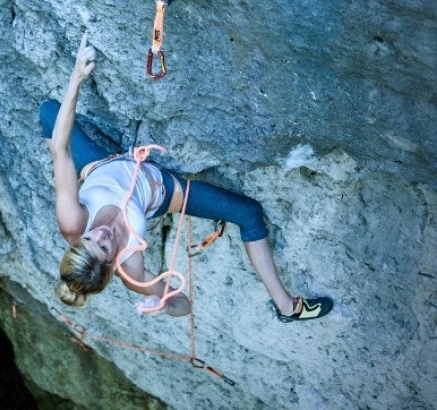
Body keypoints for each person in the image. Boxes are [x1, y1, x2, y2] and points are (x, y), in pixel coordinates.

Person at [41, 33, 333, 321]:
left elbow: (61, 149)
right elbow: (184, 304)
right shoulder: (131, 268)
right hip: (164, 190)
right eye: (104, 246)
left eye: (90, 238)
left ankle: (80, 175)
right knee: (248, 212)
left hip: (103, 166)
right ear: (110, 264)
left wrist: (77, 77)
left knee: (49, 112)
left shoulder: (73, 221)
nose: (101, 234)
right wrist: (163, 305)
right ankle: (286, 307)